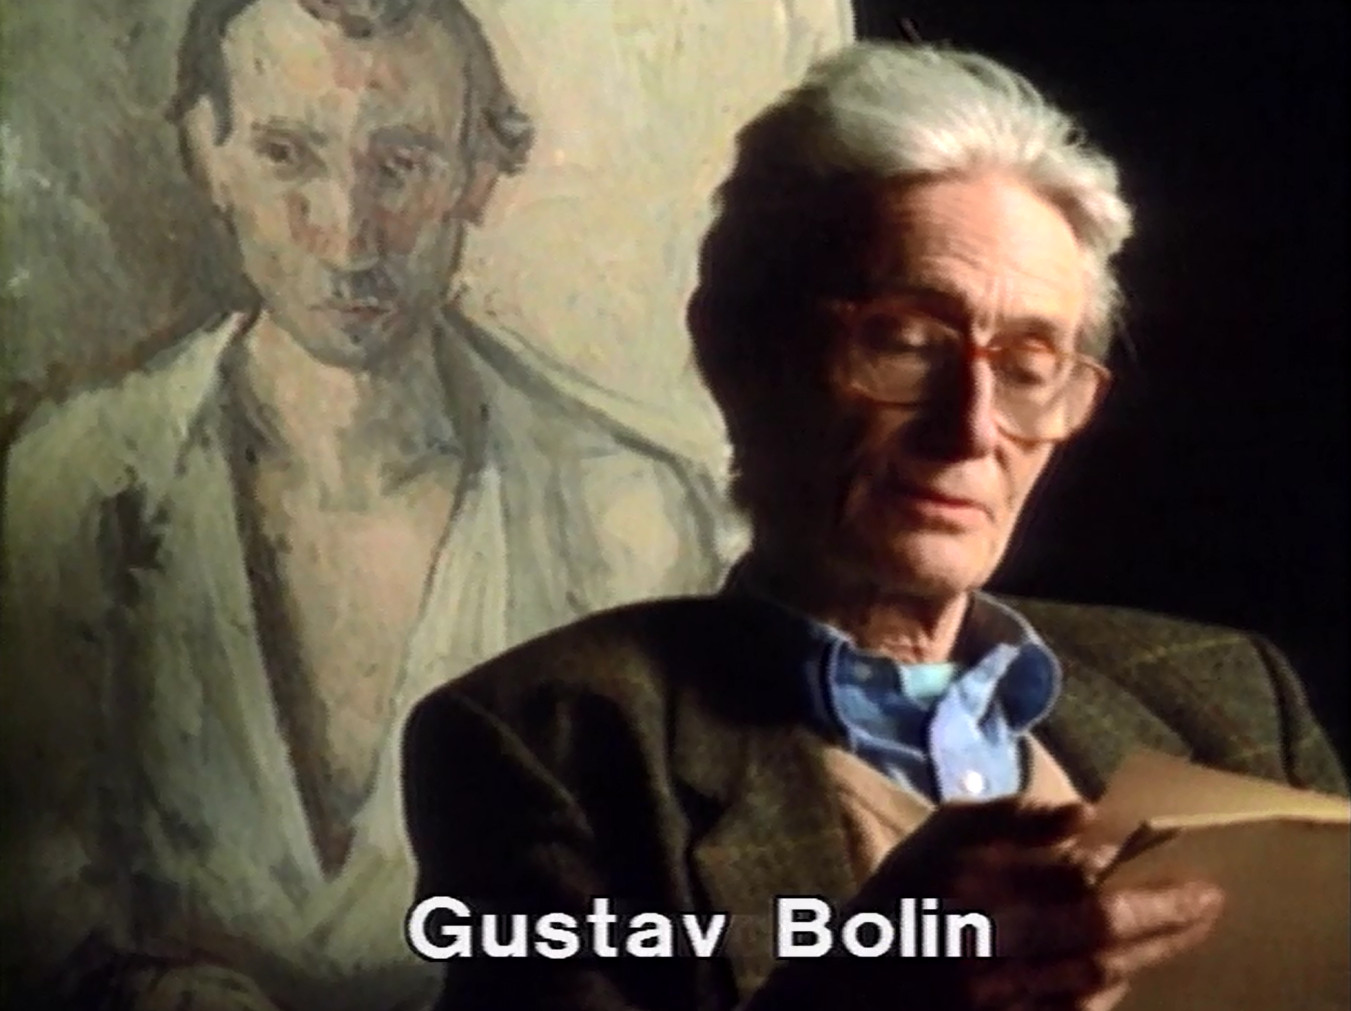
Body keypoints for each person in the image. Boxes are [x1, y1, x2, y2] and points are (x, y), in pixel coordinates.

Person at [401, 40, 1348, 1011]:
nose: (971, 428)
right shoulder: (551, 740)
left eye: (1028, 367)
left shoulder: (1227, 695)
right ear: (736, 351)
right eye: (905, 343)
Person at [0, 0, 739, 1007]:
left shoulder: (634, 519)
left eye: (401, 163)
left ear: (478, 171)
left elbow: (681, 925)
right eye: (286, 154)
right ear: (208, 155)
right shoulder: (70, 486)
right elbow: (33, 909)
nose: (347, 231)